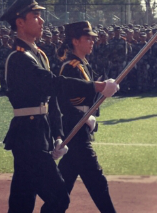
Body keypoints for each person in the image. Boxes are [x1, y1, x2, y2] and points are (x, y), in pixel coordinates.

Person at [0, 0, 119, 213]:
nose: (42, 20)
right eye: (35, 16)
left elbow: (51, 101)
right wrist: (97, 86)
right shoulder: (19, 58)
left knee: (22, 202)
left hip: (38, 134)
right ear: (20, 23)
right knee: (59, 198)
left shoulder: (37, 55)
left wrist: (56, 135)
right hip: (28, 136)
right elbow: (54, 84)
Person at [57, 21, 117, 213]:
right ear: (75, 41)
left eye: (92, 38)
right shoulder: (71, 67)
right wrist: (83, 117)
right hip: (75, 130)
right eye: (87, 38)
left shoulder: (83, 65)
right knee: (96, 181)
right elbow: (62, 101)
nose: (92, 41)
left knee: (62, 188)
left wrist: (105, 89)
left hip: (80, 128)